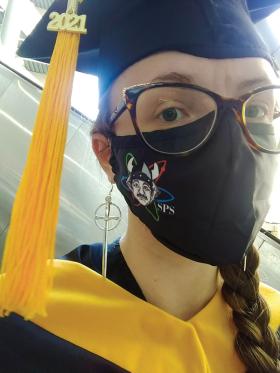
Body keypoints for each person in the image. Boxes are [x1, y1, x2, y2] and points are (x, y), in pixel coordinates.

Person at [0, 0, 280, 372]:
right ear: (106, 152)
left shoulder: (271, 322)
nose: (231, 148)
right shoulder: (23, 329)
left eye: (257, 109)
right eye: (171, 112)